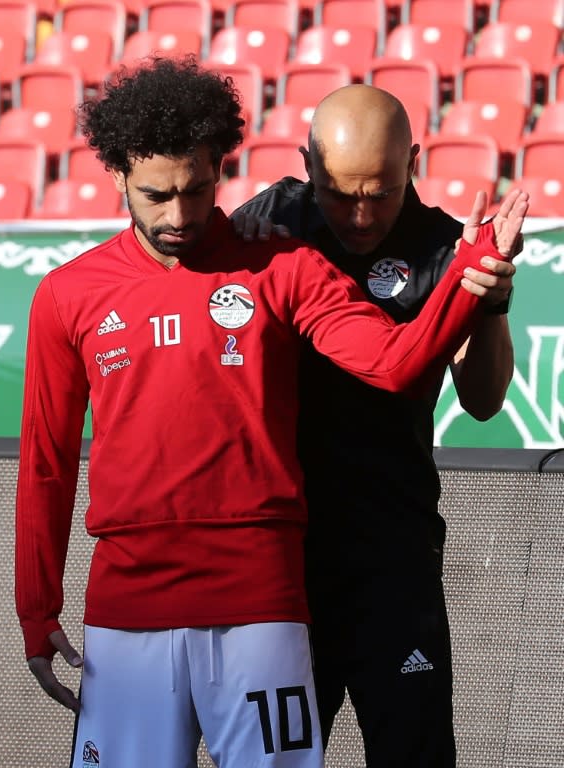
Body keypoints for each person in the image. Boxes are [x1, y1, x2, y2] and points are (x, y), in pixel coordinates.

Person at [14, 60, 527, 768]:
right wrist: (35, 610)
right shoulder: (96, 286)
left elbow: (422, 375)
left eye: (196, 191)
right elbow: (46, 462)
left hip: (317, 579)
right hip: (186, 589)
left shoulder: (316, 261)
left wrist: (478, 284)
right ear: (116, 176)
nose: (179, 215)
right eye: (156, 194)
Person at [232, 84, 519, 767]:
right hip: (279, 564)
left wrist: (493, 307)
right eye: (341, 194)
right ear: (307, 163)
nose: (361, 216)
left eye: (382, 192)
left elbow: (483, 401)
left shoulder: (448, 246)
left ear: (414, 161)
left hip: (393, 559)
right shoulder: (267, 222)